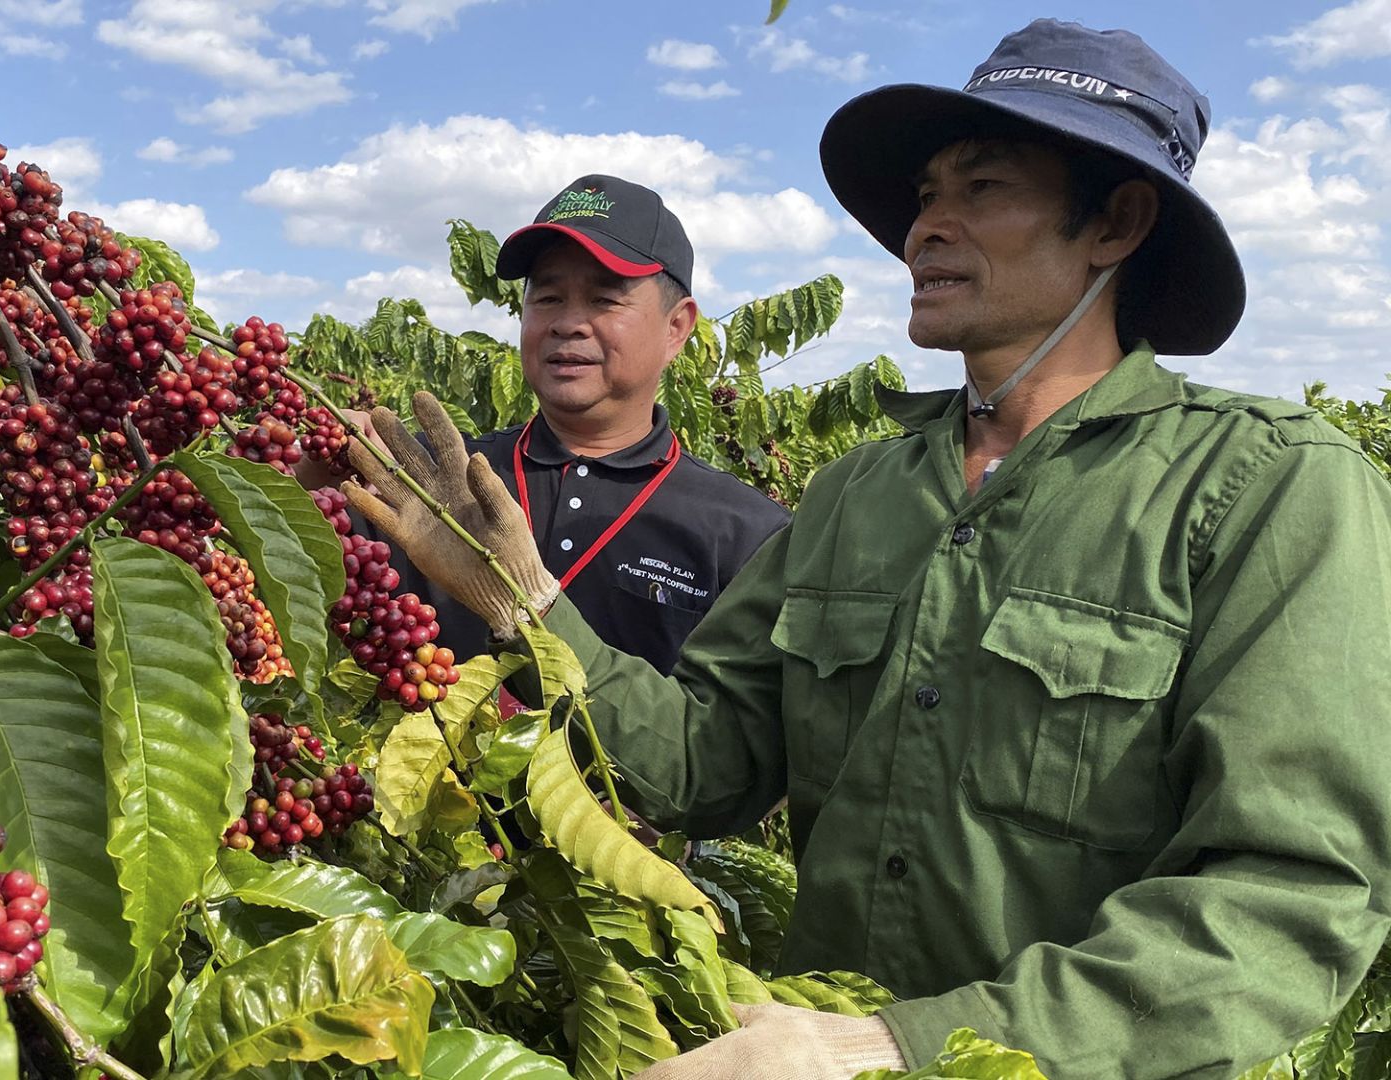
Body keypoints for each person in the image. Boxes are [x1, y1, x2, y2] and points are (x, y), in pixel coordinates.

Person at [345, 19, 1391, 1079]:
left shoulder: (1267, 488)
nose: (924, 228)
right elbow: (701, 766)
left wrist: (896, 1047)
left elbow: (1294, 894)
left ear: (1116, 222)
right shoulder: (859, 495)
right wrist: (521, 595)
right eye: (926, 196)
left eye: (980, 189)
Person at [333, 175, 790, 673]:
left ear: (676, 328)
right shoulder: (431, 479)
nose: (567, 323)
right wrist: (314, 481)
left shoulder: (748, 533)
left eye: (604, 299)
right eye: (547, 298)